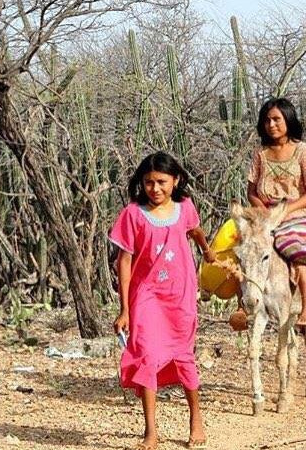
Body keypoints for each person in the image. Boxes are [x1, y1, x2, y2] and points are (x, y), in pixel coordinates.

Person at [110, 151, 215, 450]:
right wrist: (125, 309)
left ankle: (195, 417)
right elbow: (125, 262)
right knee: (145, 355)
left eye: (161, 182)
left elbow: (195, 231)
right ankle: (151, 432)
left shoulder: (185, 208)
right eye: (148, 182)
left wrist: (207, 251)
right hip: (146, 297)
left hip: (179, 296)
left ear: (176, 180)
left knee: (183, 356)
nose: (154, 189)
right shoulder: (132, 214)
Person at [246, 97, 306, 326]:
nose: (271, 125)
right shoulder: (260, 155)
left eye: (276, 119)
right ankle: (243, 305)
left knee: (293, 243)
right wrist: (263, 211)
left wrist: (286, 210)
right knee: (245, 245)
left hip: (299, 210)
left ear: (288, 120)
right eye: (267, 120)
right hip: (266, 212)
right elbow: (251, 192)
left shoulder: (303, 150)